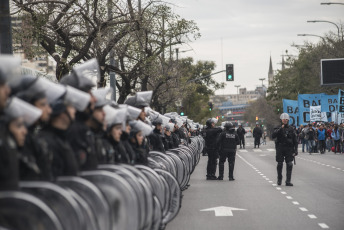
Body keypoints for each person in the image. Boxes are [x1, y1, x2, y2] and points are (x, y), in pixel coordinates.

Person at [272, 113, 298, 186]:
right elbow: (273, 135)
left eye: (286, 119)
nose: (285, 120)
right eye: (284, 119)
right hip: (280, 147)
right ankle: (279, 178)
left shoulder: (291, 128)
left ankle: (288, 181)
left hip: (289, 148)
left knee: (289, 164)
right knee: (280, 164)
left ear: (288, 120)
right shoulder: (277, 127)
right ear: (281, 120)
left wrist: (296, 150)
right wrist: (280, 129)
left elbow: (295, 140)